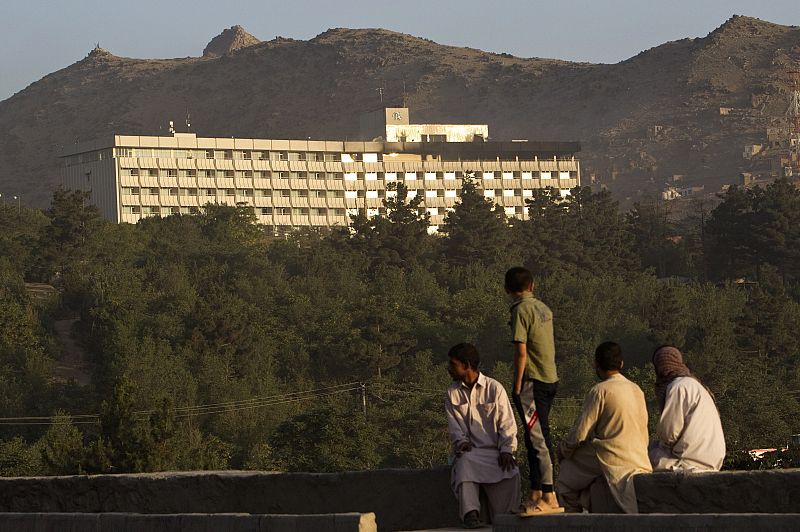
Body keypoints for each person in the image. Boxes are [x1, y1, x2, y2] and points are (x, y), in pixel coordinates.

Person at [556, 342, 652, 514]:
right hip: (639, 455)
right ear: (621, 364)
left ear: (596, 365)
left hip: (610, 454)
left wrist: (563, 451)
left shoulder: (600, 390)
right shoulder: (637, 389)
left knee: (564, 481)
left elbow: (579, 434)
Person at [504, 267, 563, 515]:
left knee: (538, 440)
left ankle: (549, 495)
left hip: (532, 381)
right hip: (550, 378)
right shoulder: (544, 309)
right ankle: (536, 493)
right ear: (533, 285)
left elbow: (521, 351)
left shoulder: (521, 310)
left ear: (508, 290)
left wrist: (517, 384)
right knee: (533, 437)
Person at [445, 343, 520, 529]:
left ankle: (507, 519)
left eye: (453, 365)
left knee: (511, 473)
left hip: (495, 454)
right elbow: (455, 427)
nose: (449, 369)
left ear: (467, 365)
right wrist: (461, 443)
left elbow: (507, 424)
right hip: (472, 453)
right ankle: (471, 515)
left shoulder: (494, 389)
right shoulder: (452, 393)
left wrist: (507, 450)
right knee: (464, 463)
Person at [649, 345, 726, 472]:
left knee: (642, 455)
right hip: (712, 460)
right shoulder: (695, 385)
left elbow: (669, 434)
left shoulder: (678, 387)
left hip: (688, 461)